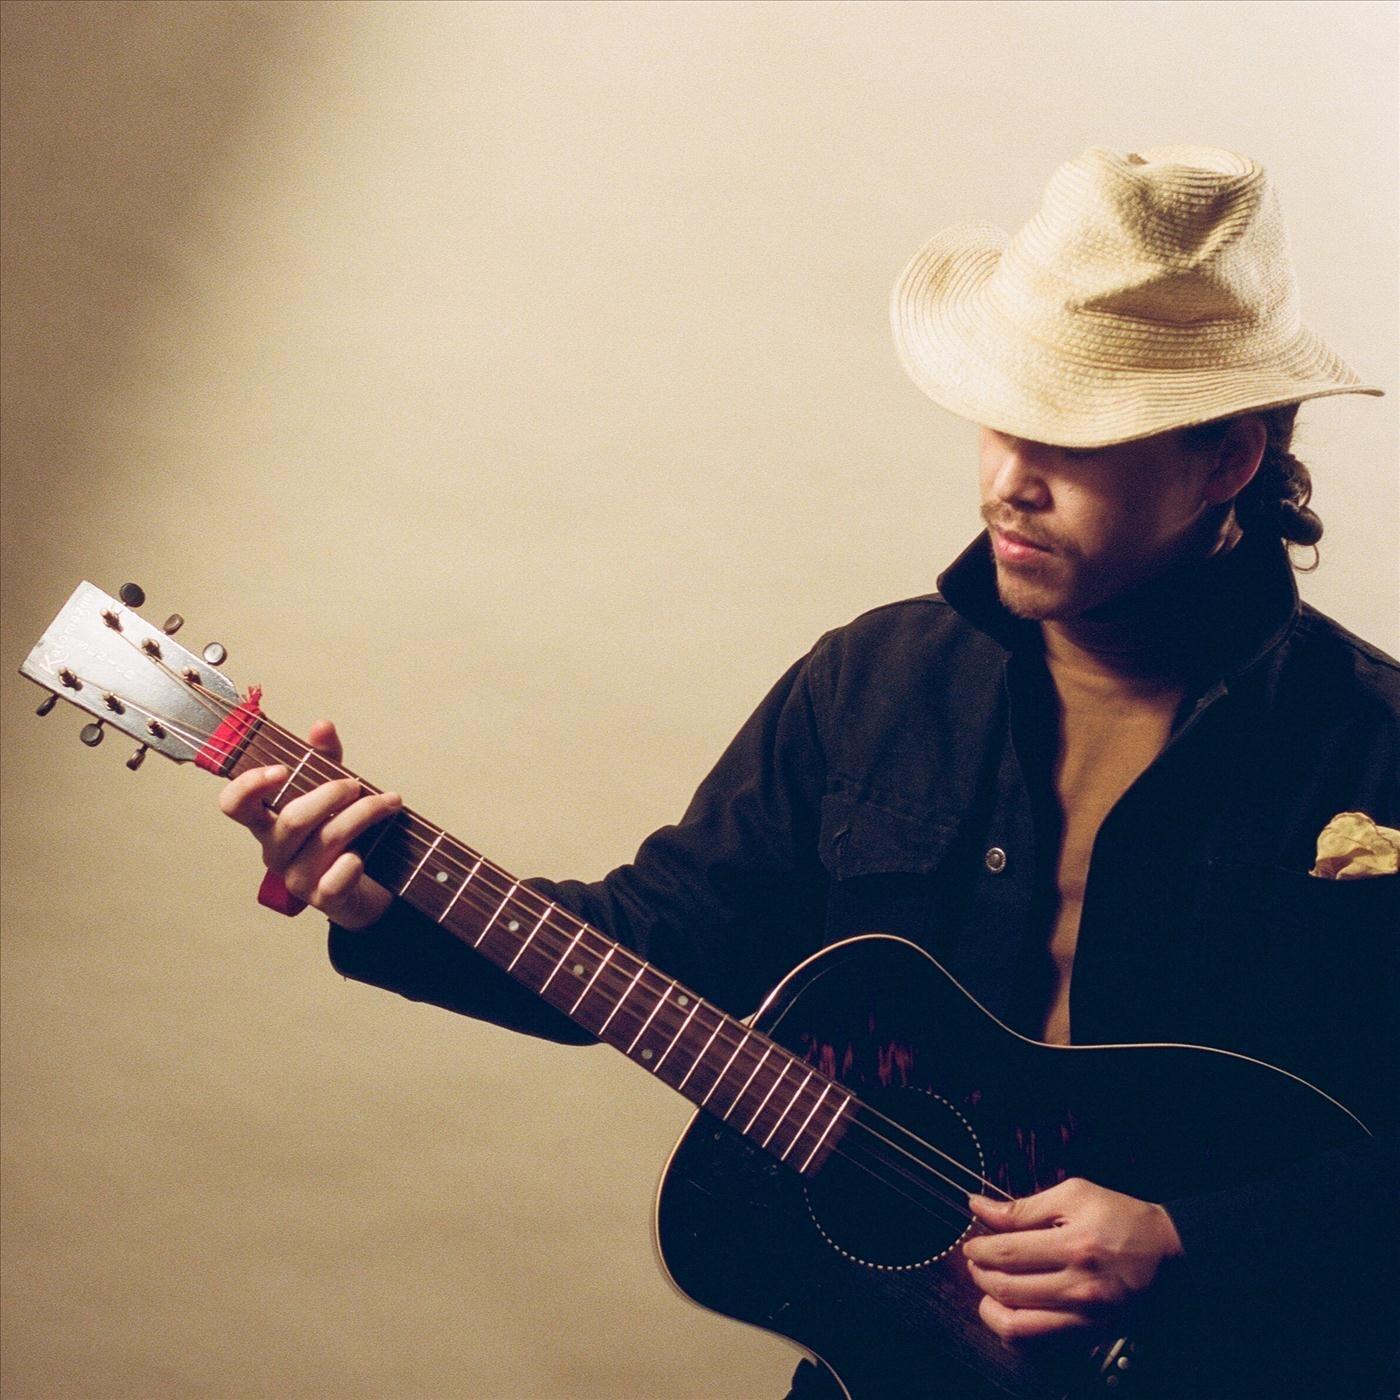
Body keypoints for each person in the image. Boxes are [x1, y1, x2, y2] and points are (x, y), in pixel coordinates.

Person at [219, 147, 1399, 1398]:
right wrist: (385, 893)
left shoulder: (1374, 751)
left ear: (1223, 462)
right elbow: (658, 941)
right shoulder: (874, 682)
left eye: (1072, 435)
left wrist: (1192, 1242)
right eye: (1001, 416)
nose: (1009, 480)